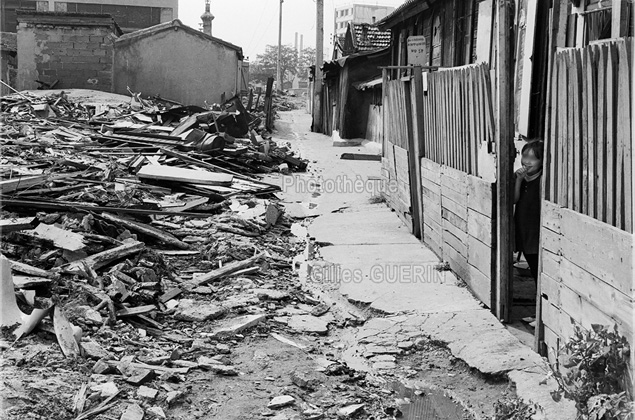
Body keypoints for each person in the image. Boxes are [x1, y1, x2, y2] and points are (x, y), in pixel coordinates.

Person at [514, 140, 543, 282]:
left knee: (538, 266)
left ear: (542, 160)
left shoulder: (543, 180)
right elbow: (513, 199)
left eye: (533, 158)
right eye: (525, 157)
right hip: (523, 227)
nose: (527, 162)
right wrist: (518, 180)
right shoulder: (519, 177)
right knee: (532, 263)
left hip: (536, 228)